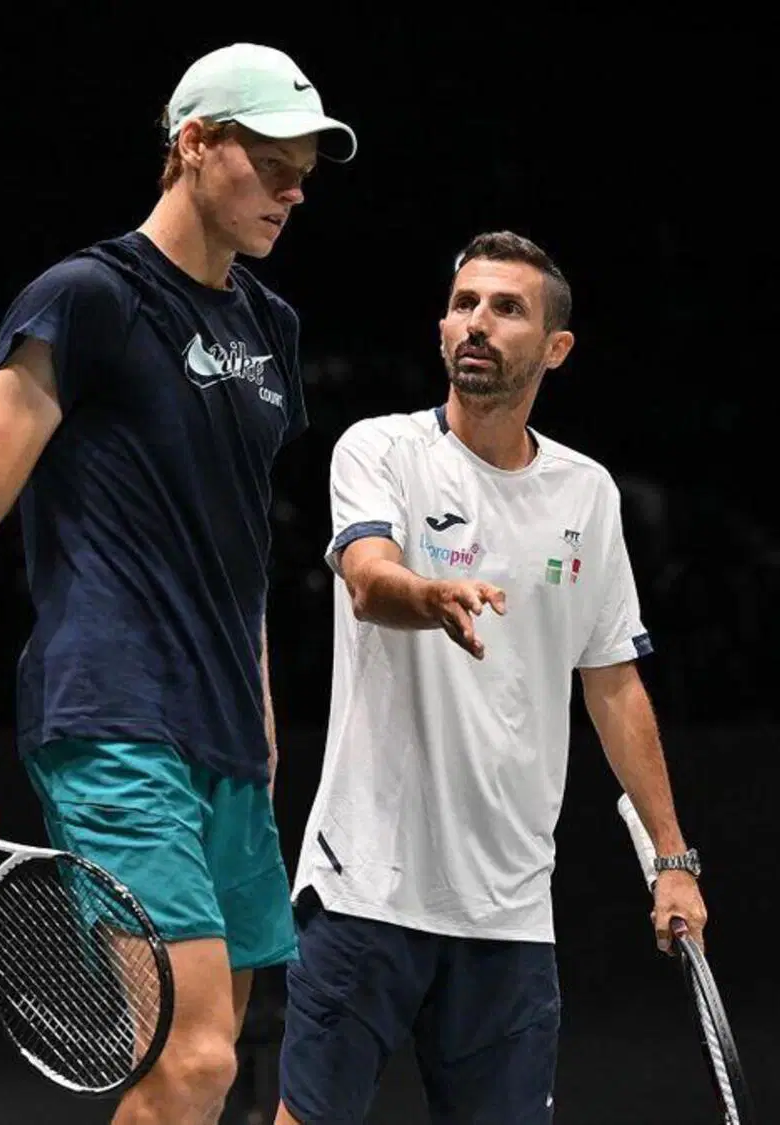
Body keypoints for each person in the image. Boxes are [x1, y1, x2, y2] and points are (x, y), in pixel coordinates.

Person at [0, 42, 356, 1125]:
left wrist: (260, 718)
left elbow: (235, 544)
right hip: (112, 716)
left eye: (307, 166)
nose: (295, 189)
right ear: (193, 145)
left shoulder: (268, 329)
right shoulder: (85, 299)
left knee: (207, 1070)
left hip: (227, 742)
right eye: (272, 159)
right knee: (194, 1058)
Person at [276, 231, 709, 1125]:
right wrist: (428, 593)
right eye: (464, 302)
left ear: (555, 349)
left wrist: (672, 861)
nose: (476, 323)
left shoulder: (587, 494)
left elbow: (614, 684)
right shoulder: (382, 451)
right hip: (368, 885)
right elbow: (366, 579)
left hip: (509, 911)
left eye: (506, 308)